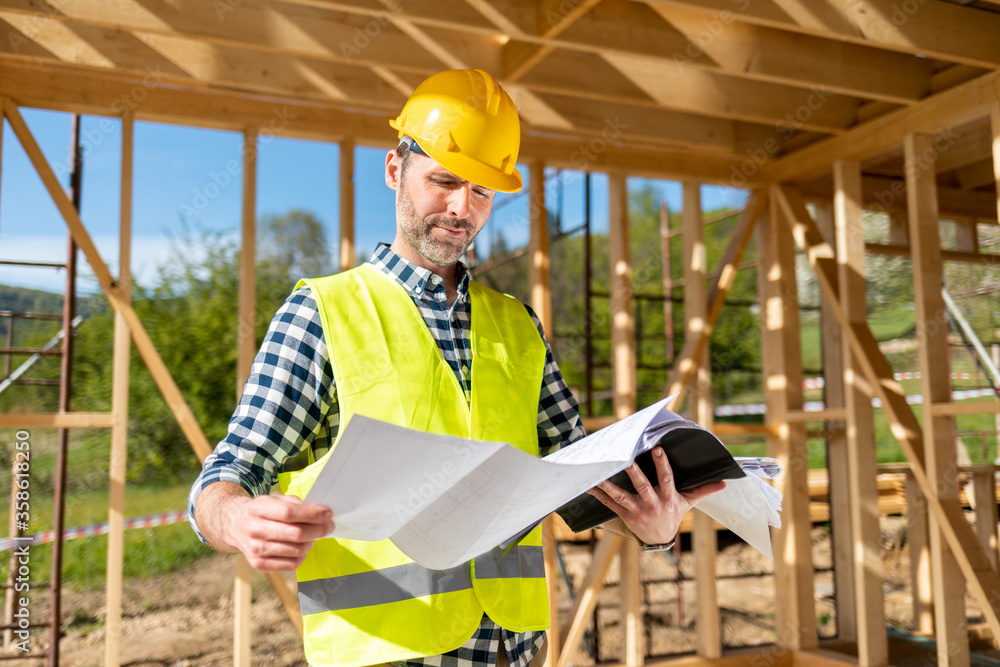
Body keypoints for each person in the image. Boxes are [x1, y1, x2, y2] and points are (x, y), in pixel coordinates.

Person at [189, 68, 726, 667]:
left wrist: (654, 528)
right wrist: (237, 517)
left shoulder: (519, 327)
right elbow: (232, 470)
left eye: (481, 192)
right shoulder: (322, 312)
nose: (460, 209)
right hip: (387, 654)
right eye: (444, 181)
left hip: (514, 650)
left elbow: (582, 482)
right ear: (395, 169)